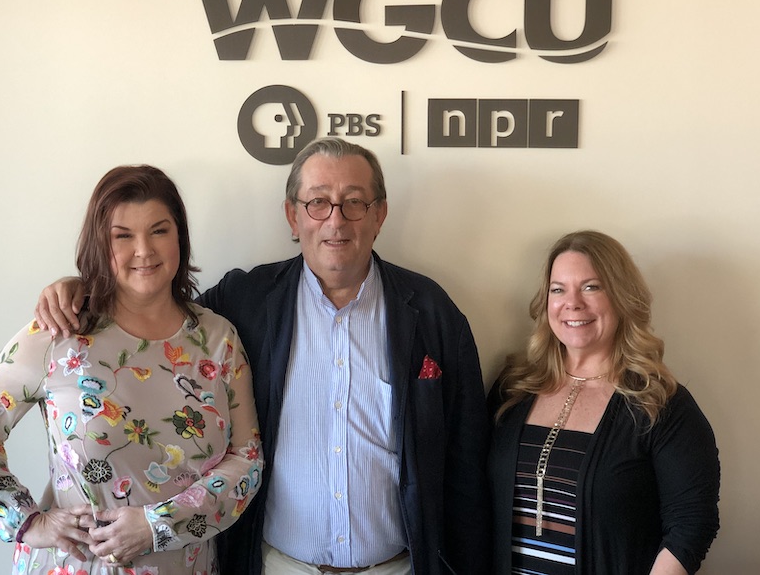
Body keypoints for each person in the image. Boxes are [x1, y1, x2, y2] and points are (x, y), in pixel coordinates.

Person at [35, 137, 491, 575]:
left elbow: (466, 461)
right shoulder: (244, 302)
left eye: (354, 202)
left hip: (396, 567)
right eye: (317, 202)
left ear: (380, 215)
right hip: (275, 565)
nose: (336, 220)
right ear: (292, 217)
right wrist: (85, 291)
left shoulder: (432, 313)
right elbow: (158, 314)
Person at [0, 165, 263, 575]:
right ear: (101, 243)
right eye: (123, 235)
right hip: (80, 565)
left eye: (159, 230)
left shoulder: (218, 338)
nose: (144, 250)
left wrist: (158, 525)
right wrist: (22, 520)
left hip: (185, 564)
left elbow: (247, 459)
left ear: (180, 237)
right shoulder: (60, 334)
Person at [486, 230, 719, 575]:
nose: (573, 303)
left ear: (622, 298)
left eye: (592, 287)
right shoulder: (513, 389)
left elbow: (691, 524)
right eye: (558, 289)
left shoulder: (661, 404)